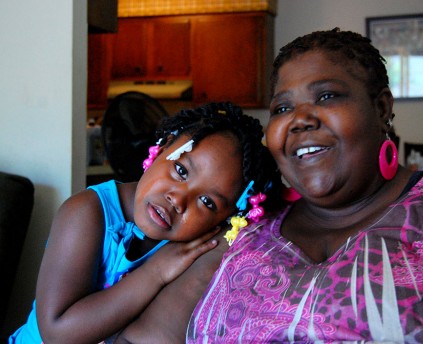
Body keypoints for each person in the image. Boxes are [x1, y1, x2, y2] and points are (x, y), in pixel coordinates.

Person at [184, 28, 423, 342]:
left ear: (381, 109)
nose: (300, 119)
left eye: (327, 96)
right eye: (282, 108)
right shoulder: (247, 224)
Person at [9, 101, 282, 344]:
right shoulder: (88, 212)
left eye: (207, 202)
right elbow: (57, 333)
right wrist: (155, 273)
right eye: (181, 170)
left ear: (225, 220)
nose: (178, 199)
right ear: (162, 148)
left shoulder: (197, 242)